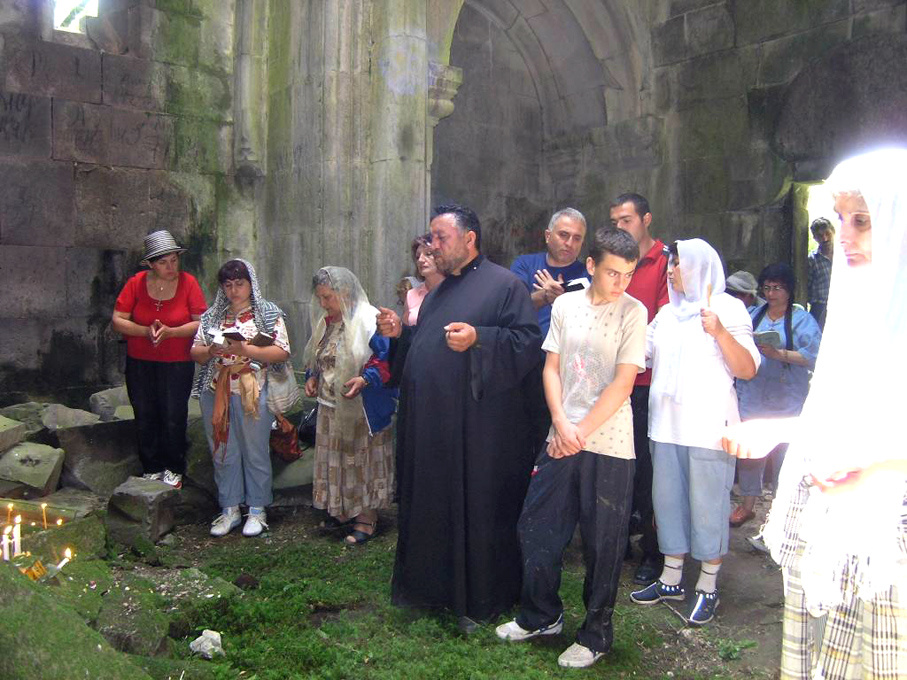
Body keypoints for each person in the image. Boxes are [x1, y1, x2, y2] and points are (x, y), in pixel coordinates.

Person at [724, 148, 907, 679]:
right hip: (837, 527)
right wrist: (778, 430)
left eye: (862, 221)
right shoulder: (856, 311)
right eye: (840, 218)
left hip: (890, 538)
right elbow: (842, 416)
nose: (842, 236)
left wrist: (875, 468)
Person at [376, 204, 542, 632]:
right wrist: (402, 335)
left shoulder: (505, 286)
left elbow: (527, 344)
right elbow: (428, 345)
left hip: (478, 432)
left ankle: (478, 596)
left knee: (474, 510)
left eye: (440, 237)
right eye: (431, 237)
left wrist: (479, 338)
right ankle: (431, 590)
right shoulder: (440, 291)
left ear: (469, 239)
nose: (432, 246)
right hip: (433, 428)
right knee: (433, 506)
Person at [495, 228, 646, 669]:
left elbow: (623, 382)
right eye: (613, 273)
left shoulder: (634, 312)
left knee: (604, 543)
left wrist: (578, 432)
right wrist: (561, 423)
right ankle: (541, 615)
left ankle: (595, 634)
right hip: (560, 436)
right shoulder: (565, 305)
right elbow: (552, 368)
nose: (621, 283)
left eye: (629, 274)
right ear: (591, 266)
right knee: (537, 526)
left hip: (610, 443)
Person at [629, 238, 759, 626]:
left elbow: (747, 368)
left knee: (708, 507)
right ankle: (671, 578)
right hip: (665, 428)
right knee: (667, 504)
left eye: (677, 264)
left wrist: (720, 332)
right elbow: (637, 353)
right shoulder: (667, 314)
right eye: (669, 264)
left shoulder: (728, 308)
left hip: (708, 429)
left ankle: (708, 585)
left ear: (700, 267)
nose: (670, 271)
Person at [190, 259, 291, 538]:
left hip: (253, 389)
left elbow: (282, 351)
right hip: (217, 390)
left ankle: (257, 509)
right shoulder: (212, 316)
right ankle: (230, 508)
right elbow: (195, 351)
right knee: (223, 450)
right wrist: (211, 351)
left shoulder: (267, 313)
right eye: (228, 285)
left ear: (251, 284)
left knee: (255, 450)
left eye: (239, 284)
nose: (234, 290)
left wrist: (246, 349)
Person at [303, 267, 397, 544]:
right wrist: (312, 377)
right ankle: (343, 510)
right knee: (338, 460)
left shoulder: (369, 319)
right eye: (320, 298)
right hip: (331, 407)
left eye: (328, 297)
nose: (323, 304)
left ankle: (366, 517)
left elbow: (387, 359)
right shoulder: (328, 322)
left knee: (360, 461)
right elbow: (319, 355)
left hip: (362, 409)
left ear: (344, 292)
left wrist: (366, 379)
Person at [112, 230, 207, 489]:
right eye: (163, 262)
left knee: (173, 414)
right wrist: (145, 331)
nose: (171, 267)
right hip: (140, 360)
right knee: (145, 412)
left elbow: (201, 322)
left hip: (177, 362)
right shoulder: (136, 283)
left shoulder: (188, 283)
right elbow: (118, 320)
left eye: (174, 260)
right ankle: (151, 466)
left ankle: (174, 466)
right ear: (151, 264)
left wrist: (172, 332)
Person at [730, 263, 821, 528]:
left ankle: (781, 513)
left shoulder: (802, 320)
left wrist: (779, 354)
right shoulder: (753, 315)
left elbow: (814, 357)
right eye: (767, 288)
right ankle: (747, 504)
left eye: (777, 288)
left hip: (786, 396)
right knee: (749, 454)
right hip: (753, 394)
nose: (771, 294)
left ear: (789, 290)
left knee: (785, 455)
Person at [609, 193, 670, 585]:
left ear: (646, 219)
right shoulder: (614, 262)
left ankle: (653, 551)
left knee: (649, 472)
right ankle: (617, 545)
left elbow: (665, 320)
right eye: (614, 221)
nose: (620, 227)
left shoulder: (665, 262)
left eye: (627, 220)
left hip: (647, 381)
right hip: (615, 380)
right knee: (618, 466)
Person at [510, 208, 589, 462]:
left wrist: (565, 300)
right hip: (525, 364)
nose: (569, 243)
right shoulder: (525, 265)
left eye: (577, 238)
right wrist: (544, 296)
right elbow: (511, 308)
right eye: (564, 235)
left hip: (566, 371)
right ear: (547, 235)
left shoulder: (587, 274)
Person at [403, 234, 444, 326]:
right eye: (417, 257)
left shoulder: (456, 290)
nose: (420, 260)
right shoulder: (411, 295)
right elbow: (405, 332)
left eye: (428, 254)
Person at [806, 217, 834, 330]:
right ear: (815, 238)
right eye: (819, 236)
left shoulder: (845, 255)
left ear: (833, 232)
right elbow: (807, 286)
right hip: (820, 307)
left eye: (827, 233)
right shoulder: (812, 259)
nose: (825, 238)